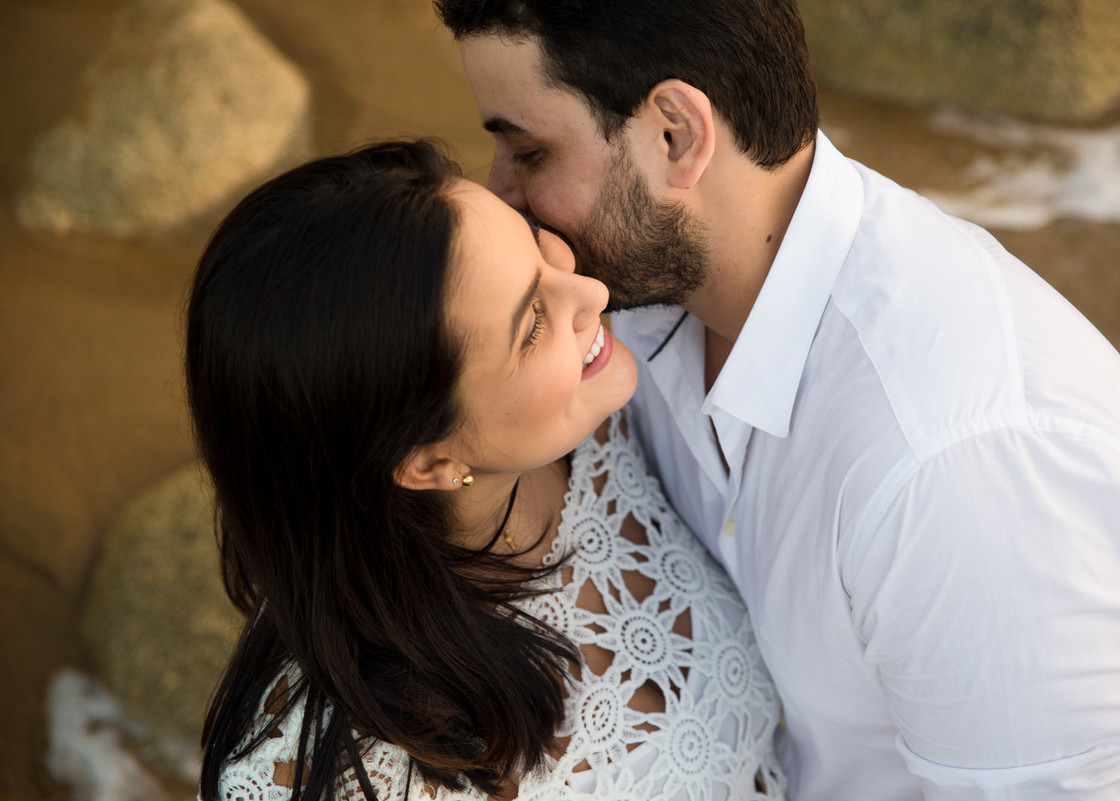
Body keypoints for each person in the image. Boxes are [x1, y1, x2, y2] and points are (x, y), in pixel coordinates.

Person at [434, 1, 1120, 798]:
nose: (503, 194)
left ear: (676, 136)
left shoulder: (958, 464)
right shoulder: (625, 311)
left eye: (528, 151)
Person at [186, 140, 786, 801]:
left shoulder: (602, 418)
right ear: (431, 461)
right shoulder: (326, 781)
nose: (591, 289)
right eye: (531, 323)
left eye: (531, 239)